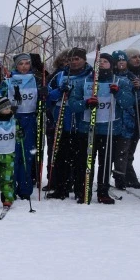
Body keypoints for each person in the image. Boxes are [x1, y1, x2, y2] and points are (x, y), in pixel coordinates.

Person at [70, 52, 133, 204]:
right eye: (100, 61)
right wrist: (85, 104)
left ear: (111, 65)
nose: (102, 64)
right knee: (86, 162)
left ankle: (103, 191)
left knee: (105, 163)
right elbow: (72, 104)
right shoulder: (84, 82)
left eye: (106, 61)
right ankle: (83, 190)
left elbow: (128, 102)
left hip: (110, 130)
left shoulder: (119, 81)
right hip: (87, 129)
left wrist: (117, 93)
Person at [46, 48, 92, 199]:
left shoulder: (91, 75)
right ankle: (61, 189)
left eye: (77, 59)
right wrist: (60, 91)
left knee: (80, 159)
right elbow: (48, 95)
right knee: (61, 157)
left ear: (84, 60)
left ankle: (80, 190)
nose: (74, 62)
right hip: (63, 119)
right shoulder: (60, 75)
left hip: (82, 121)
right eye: (71, 59)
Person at [8, 53, 46, 199]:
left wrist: (46, 93)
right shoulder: (10, 79)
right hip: (13, 120)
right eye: (21, 64)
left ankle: (25, 189)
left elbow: (47, 98)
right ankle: (10, 187)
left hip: (30, 119)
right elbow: (1, 96)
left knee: (27, 156)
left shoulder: (36, 79)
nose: (24, 66)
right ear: (16, 65)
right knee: (13, 155)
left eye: (27, 63)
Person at [110, 50, 140, 190]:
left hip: (129, 118)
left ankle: (121, 177)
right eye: (118, 60)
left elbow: (137, 99)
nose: (121, 63)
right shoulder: (110, 76)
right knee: (111, 150)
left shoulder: (132, 76)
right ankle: (107, 176)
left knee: (124, 150)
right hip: (112, 117)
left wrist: (138, 88)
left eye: (123, 60)